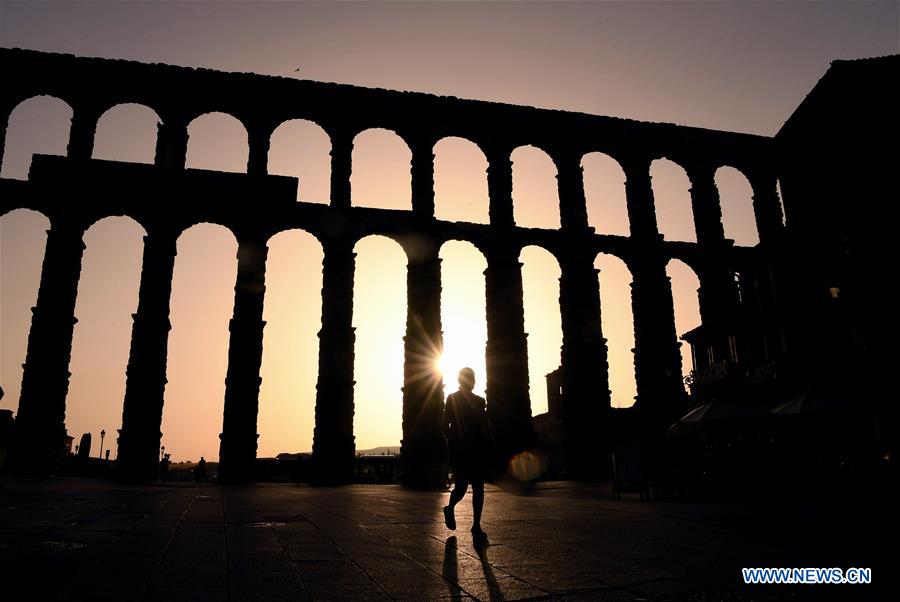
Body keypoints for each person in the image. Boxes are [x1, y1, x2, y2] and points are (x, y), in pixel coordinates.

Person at [442, 367, 493, 544]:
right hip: (460, 450)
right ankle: (450, 508)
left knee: (478, 486)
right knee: (462, 487)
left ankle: (476, 525)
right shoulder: (452, 398)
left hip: (476, 449)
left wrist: (489, 442)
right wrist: (454, 442)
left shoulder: (480, 401)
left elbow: (485, 424)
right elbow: (444, 425)